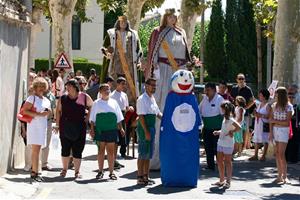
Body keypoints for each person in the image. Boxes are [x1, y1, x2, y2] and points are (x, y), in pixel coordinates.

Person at [145, 8, 191, 169]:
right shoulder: (158, 32)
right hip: (164, 73)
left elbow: (186, 54)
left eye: (175, 17)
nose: (173, 19)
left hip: (179, 73)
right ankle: (155, 159)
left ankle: (177, 157)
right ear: (166, 17)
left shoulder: (182, 32)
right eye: (170, 16)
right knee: (161, 111)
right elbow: (153, 55)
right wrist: (154, 73)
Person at [55, 79, 93, 179]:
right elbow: (58, 111)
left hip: (80, 127)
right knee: (65, 149)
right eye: (67, 86)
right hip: (65, 127)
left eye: (69, 86)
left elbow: (92, 106)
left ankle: (77, 171)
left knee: (78, 150)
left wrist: (88, 117)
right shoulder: (63, 98)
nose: (67, 88)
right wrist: (57, 125)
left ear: (75, 87)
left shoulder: (84, 96)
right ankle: (64, 169)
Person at [103, 15, 143, 105]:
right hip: (115, 63)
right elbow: (104, 47)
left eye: (125, 22)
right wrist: (107, 53)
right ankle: (111, 103)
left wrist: (139, 60)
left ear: (127, 23)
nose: (123, 24)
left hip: (130, 64)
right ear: (118, 23)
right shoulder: (111, 33)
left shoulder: (133, 34)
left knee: (129, 84)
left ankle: (130, 104)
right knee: (114, 82)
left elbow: (138, 49)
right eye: (121, 22)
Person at [89, 84, 125, 180]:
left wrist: (121, 128)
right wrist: (92, 130)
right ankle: (100, 171)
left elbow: (118, 117)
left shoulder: (114, 102)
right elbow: (92, 119)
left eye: (108, 89)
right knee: (101, 151)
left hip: (112, 130)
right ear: (100, 92)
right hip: (100, 130)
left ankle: (111, 172)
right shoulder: (96, 103)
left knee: (111, 151)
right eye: (105, 89)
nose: (107, 91)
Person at [22, 77, 51, 182]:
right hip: (34, 127)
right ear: (35, 87)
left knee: (38, 151)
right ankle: (34, 173)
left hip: (42, 127)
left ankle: (36, 172)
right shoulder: (31, 98)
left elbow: (48, 112)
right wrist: (39, 114)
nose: (41, 88)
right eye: (39, 86)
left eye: (43, 86)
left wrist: (47, 113)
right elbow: (24, 111)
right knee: (35, 151)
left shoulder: (46, 100)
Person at [136, 78, 162, 185]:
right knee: (143, 153)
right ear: (146, 86)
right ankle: (139, 177)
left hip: (151, 128)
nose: (154, 87)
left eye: (155, 85)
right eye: (152, 85)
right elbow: (141, 116)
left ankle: (146, 176)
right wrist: (146, 131)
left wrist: (167, 119)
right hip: (144, 128)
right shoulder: (142, 99)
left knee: (148, 154)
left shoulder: (152, 98)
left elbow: (157, 113)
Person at [212, 101, 241, 189]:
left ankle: (228, 181)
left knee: (228, 162)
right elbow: (224, 130)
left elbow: (239, 127)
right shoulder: (225, 118)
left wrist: (232, 131)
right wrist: (218, 132)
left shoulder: (231, 119)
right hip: (220, 142)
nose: (221, 110)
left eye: (222, 109)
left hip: (228, 143)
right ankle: (221, 180)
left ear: (225, 110)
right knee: (219, 161)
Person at [269, 87, 294, 184]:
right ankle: (279, 175)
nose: (275, 96)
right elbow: (270, 121)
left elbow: (287, 122)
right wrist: (271, 132)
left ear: (281, 95)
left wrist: (275, 122)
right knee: (277, 153)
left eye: (276, 94)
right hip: (275, 131)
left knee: (281, 153)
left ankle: (285, 176)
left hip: (284, 131)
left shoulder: (289, 107)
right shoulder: (274, 106)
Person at [199, 83, 224, 170]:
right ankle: (210, 166)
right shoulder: (204, 99)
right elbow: (199, 111)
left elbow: (223, 115)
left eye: (208, 90)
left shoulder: (220, 99)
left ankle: (220, 165)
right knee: (208, 147)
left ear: (214, 90)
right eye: (205, 90)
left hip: (217, 128)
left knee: (217, 148)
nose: (206, 92)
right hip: (206, 128)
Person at [110, 77, 134, 167]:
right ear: (118, 84)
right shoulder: (112, 95)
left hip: (123, 117)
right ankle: (113, 160)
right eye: (123, 83)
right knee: (115, 140)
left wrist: (130, 108)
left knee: (121, 139)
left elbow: (126, 108)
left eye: (125, 83)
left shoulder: (124, 95)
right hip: (115, 117)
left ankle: (115, 160)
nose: (124, 85)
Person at [230, 73, 255, 150]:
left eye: (242, 79)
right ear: (237, 80)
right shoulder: (234, 88)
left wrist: (246, 107)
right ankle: (237, 147)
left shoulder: (248, 89)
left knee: (245, 130)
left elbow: (252, 100)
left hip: (244, 113)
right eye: (240, 79)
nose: (241, 80)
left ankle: (244, 147)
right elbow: (231, 98)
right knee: (236, 130)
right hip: (235, 112)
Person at [249, 89, 271, 161]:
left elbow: (269, 116)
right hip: (258, 123)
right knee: (256, 139)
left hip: (264, 124)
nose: (259, 96)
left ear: (264, 96)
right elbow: (256, 114)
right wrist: (255, 113)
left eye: (260, 95)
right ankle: (255, 155)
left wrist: (260, 115)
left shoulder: (268, 105)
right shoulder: (260, 104)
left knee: (265, 139)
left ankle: (264, 155)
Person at [41, 77, 56, 171]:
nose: (48, 85)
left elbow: (54, 108)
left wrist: (55, 120)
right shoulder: (37, 94)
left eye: (49, 83)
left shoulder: (51, 96)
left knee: (47, 143)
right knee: (37, 143)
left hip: (48, 121)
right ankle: (35, 163)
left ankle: (44, 164)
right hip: (38, 121)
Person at [285, 85, 300, 163]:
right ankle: (288, 158)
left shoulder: (297, 103)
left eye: (292, 96)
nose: (291, 98)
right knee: (288, 142)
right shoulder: (286, 104)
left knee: (295, 142)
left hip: (295, 125)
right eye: (289, 96)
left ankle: (294, 158)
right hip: (288, 124)